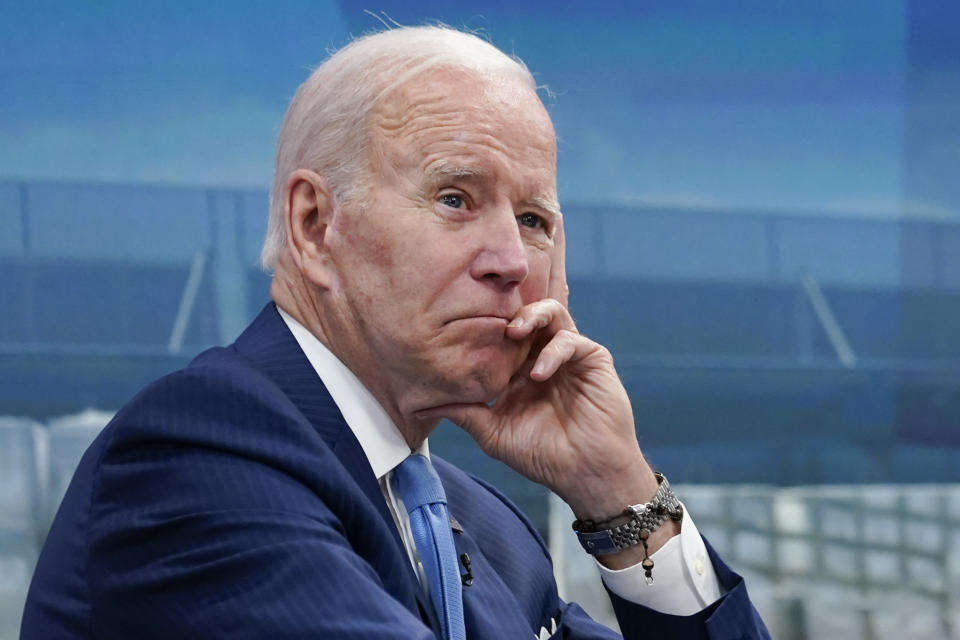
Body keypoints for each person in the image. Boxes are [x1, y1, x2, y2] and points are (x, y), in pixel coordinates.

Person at [21, 26, 768, 639]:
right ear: (315, 226)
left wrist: (617, 494)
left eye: (534, 220)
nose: (511, 261)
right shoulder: (195, 454)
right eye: (454, 198)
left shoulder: (482, 523)